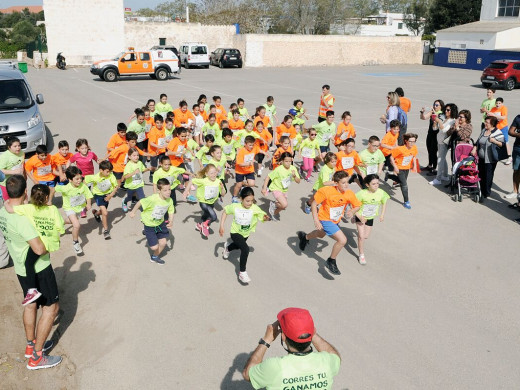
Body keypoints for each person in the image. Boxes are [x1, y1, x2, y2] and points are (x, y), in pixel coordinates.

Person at [0, 175, 62, 370]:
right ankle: (36, 357)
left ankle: (30, 346)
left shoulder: (4, 210)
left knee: (30, 305)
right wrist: (49, 242)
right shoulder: (22, 220)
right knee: (51, 309)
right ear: (26, 192)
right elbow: (39, 249)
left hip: (21, 269)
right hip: (40, 269)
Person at [243, 307, 341, 390]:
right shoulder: (327, 361)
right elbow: (335, 356)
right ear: (313, 331)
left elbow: (247, 374)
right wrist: (310, 332)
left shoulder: (275, 367)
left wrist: (266, 340)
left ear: (283, 337)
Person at [6, 184, 65, 305]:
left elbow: (10, 209)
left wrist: (6, 202)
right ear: (47, 197)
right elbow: (61, 228)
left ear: (31, 196)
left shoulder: (28, 208)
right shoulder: (53, 209)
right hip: (51, 243)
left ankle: (32, 290)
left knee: (28, 264)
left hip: (39, 244)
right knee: (42, 261)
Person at [298, 170, 361, 275]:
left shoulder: (349, 193)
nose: (346, 185)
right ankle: (331, 261)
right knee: (342, 240)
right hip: (324, 219)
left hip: (335, 220)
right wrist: (316, 220)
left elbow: (357, 205)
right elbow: (314, 204)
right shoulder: (326, 191)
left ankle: (305, 237)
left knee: (321, 234)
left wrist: (352, 211)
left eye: (347, 182)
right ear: (336, 183)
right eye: (343, 182)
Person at [219, 187, 269, 283]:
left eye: (252, 200)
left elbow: (262, 216)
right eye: (247, 201)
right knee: (245, 249)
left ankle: (227, 248)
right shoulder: (235, 206)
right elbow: (225, 212)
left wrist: (266, 218)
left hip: (246, 233)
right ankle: (242, 272)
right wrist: (221, 226)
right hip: (235, 232)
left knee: (238, 246)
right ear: (241, 199)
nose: (250, 203)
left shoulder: (254, 208)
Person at [129, 178, 174, 265]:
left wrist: (171, 221)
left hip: (160, 223)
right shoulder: (153, 199)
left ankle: (154, 257)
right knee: (154, 247)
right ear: (159, 190)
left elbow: (171, 211)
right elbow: (140, 202)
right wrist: (133, 212)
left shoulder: (169, 200)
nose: (168, 192)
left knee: (163, 242)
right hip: (149, 225)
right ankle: (147, 232)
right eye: (165, 190)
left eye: (169, 189)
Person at [55, 166, 93, 254]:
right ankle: (76, 243)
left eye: (80, 178)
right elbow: (54, 188)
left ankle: (62, 221)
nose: (79, 180)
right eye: (77, 179)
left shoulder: (83, 186)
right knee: (76, 225)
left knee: (72, 221)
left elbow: (88, 195)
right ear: (70, 179)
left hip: (80, 208)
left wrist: (89, 203)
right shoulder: (65, 188)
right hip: (69, 208)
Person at [354, 174, 389, 265]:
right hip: (361, 216)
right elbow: (352, 204)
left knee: (365, 236)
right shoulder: (361, 194)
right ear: (367, 185)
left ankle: (359, 231)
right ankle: (361, 255)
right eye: (373, 184)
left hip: (370, 217)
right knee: (361, 237)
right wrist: (358, 215)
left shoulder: (381, 192)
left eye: (377, 183)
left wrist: (382, 215)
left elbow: (384, 202)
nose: (376, 185)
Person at [471, 116, 505, 203]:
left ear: (492, 124)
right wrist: (475, 148)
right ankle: (481, 190)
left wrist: (494, 141)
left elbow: (502, 144)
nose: (485, 124)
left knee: (488, 176)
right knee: (481, 174)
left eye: (487, 123)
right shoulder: (484, 130)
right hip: (481, 158)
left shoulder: (498, 132)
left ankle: (486, 192)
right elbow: (478, 140)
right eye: (485, 122)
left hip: (490, 159)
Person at [85, 160, 119, 239]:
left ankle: (96, 213)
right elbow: (85, 180)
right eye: (107, 172)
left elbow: (116, 186)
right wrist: (84, 190)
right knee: (105, 212)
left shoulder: (111, 176)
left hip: (107, 195)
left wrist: (110, 195)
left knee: (103, 212)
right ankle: (106, 230)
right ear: (101, 170)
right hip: (98, 195)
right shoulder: (95, 177)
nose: (109, 173)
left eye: (110, 171)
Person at [189, 164, 226, 238]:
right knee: (214, 217)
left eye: (215, 172)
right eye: (211, 173)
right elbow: (192, 181)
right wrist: (186, 191)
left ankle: (200, 225)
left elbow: (223, 194)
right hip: (203, 202)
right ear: (206, 174)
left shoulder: (218, 181)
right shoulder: (204, 181)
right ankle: (204, 225)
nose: (214, 175)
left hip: (211, 202)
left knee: (206, 215)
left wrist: (222, 188)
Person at [262, 152, 301, 221]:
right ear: (282, 161)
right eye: (286, 161)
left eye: (290, 161)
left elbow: (298, 181)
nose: (288, 163)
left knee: (283, 206)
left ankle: (272, 214)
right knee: (285, 204)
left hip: (284, 190)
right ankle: (274, 204)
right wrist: (264, 189)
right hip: (276, 188)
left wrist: (294, 176)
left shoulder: (293, 168)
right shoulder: (279, 169)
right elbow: (268, 177)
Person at [385, 133, 419, 209]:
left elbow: (414, 156)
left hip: (407, 168)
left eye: (414, 141)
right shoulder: (400, 149)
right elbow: (391, 157)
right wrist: (395, 167)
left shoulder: (414, 148)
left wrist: (415, 166)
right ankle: (406, 202)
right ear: (406, 141)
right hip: (399, 168)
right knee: (404, 184)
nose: (412, 143)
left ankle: (389, 175)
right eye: (410, 141)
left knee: (401, 182)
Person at [232, 136, 267, 203]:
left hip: (249, 170)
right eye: (250, 145)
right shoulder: (241, 151)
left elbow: (258, 150)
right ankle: (234, 196)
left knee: (251, 184)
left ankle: (243, 185)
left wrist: (264, 152)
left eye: (253, 145)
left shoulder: (254, 147)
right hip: (240, 171)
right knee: (238, 185)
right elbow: (239, 164)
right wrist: (249, 163)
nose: (251, 146)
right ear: (245, 144)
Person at [429, 103, 457, 186]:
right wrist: (435, 122)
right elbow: (435, 129)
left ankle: (438, 178)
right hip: (439, 140)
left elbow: (444, 130)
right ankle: (445, 175)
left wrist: (439, 121)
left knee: (440, 159)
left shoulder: (452, 121)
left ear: (452, 111)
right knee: (442, 158)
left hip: (444, 142)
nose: (446, 111)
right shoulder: (445, 119)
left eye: (448, 110)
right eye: (446, 109)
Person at [121, 148, 150, 213]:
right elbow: (125, 176)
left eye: (137, 155)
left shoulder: (139, 163)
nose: (136, 157)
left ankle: (144, 211)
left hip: (139, 184)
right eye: (134, 155)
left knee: (142, 198)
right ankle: (124, 202)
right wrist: (133, 173)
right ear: (129, 156)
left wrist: (148, 169)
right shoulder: (128, 165)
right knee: (129, 198)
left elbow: (142, 169)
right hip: (131, 185)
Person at [420, 99, 445, 174]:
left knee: (434, 151)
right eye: (434, 104)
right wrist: (422, 112)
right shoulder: (432, 112)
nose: (435, 106)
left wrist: (435, 114)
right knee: (429, 149)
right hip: (430, 133)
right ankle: (429, 165)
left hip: (436, 135)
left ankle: (434, 168)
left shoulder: (441, 114)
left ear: (441, 106)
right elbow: (423, 118)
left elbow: (441, 124)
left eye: (437, 105)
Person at [487, 97, 512, 165]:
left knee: (506, 141)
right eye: (497, 103)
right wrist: (487, 112)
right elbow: (489, 115)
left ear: (502, 103)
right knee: (493, 141)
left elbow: (503, 117)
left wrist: (494, 115)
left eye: (499, 103)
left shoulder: (504, 108)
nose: (498, 104)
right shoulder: (493, 109)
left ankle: (509, 157)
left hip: (503, 127)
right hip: (495, 128)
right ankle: (494, 155)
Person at [0, 136, 25, 200]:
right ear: (9, 147)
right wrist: (14, 172)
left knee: (19, 199)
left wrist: (24, 177)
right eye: (15, 146)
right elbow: (1, 171)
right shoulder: (4, 156)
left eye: (19, 145)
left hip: (18, 182)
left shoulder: (22, 153)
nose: (18, 148)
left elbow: (22, 165)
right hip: (6, 184)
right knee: (8, 201)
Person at [506, 115, 520, 202]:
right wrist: (518, 134)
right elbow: (510, 131)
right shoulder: (518, 118)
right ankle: (515, 191)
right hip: (518, 148)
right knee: (516, 170)